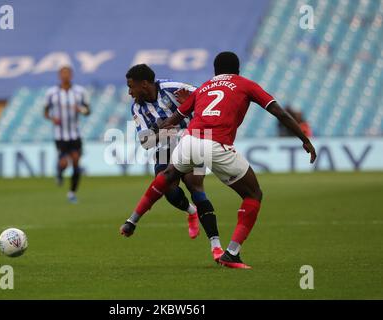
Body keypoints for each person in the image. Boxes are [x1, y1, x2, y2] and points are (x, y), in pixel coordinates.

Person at [120, 52, 317, 269]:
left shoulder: (199, 86)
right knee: (252, 194)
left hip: (189, 139)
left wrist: (178, 118)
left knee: (177, 180)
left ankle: (135, 221)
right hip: (204, 142)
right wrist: (304, 139)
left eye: (131, 87)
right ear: (238, 70)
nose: (129, 92)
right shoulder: (245, 84)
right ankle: (229, 251)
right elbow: (279, 112)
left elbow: (180, 114)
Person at [123, 64, 224, 261]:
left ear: (144, 84)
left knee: (195, 185)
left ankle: (216, 245)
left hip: (193, 139)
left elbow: (208, 99)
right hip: (165, 147)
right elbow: (145, 142)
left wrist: (191, 112)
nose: (129, 92)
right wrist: (164, 128)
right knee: (166, 187)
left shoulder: (174, 88)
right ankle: (191, 212)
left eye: (131, 86)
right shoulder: (137, 107)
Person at [44, 66, 90, 203]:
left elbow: (88, 111)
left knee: (76, 161)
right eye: (63, 73)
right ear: (59, 76)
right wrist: (52, 119)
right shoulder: (51, 93)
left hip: (75, 134)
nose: (65, 76)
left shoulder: (80, 92)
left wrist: (80, 109)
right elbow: (45, 112)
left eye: (68, 73)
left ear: (71, 75)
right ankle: (59, 170)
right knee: (64, 163)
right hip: (60, 135)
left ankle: (72, 193)